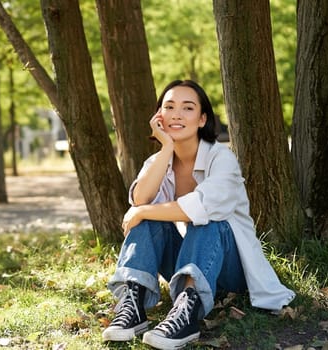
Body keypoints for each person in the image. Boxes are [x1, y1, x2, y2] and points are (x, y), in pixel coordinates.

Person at [101, 80, 295, 349]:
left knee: (206, 220)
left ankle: (187, 313)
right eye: (169, 107)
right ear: (159, 117)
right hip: (190, 260)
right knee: (145, 215)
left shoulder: (221, 159)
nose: (177, 114)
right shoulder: (158, 161)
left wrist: (143, 210)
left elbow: (200, 208)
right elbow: (139, 200)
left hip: (229, 267)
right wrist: (166, 147)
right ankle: (133, 305)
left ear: (202, 119)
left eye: (188, 108)